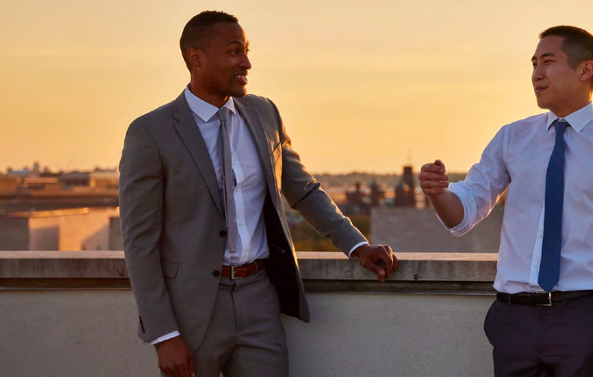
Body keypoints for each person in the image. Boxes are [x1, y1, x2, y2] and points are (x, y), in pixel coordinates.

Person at [119, 10, 398, 377]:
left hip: (259, 299)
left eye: (247, 51)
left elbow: (304, 191)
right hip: (191, 309)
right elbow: (140, 241)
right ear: (196, 58)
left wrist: (358, 246)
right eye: (234, 51)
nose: (246, 63)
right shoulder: (151, 132)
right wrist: (164, 333)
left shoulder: (264, 113)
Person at [419, 25, 593, 376]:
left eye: (547, 61)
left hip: (581, 314)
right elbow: (463, 213)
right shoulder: (513, 137)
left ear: (585, 70)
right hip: (513, 319)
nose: (536, 74)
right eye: (533, 64)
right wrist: (439, 193)